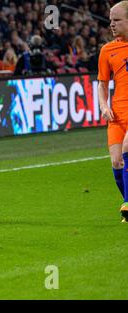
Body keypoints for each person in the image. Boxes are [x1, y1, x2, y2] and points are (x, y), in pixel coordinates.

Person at [98, 1, 128, 222]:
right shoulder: (107, 50)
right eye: (110, 20)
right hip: (117, 115)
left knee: (127, 148)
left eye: (117, 20)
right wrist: (104, 105)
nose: (112, 24)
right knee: (117, 162)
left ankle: (127, 204)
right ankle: (126, 200)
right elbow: (102, 83)